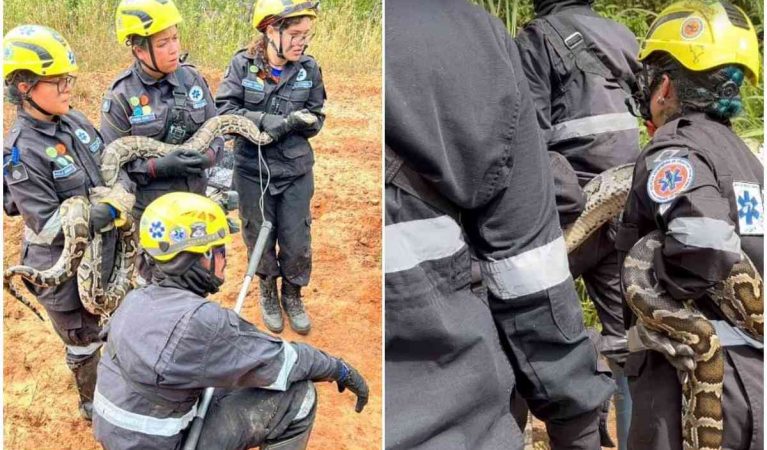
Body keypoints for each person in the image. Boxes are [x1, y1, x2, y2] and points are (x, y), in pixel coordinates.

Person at [385, 1, 615, 448]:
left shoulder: (536, 38)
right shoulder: (466, 37)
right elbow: (531, 275)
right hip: (464, 423)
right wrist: (577, 421)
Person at [91, 192, 368, 450]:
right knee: (298, 396)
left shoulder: (135, 299)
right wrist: (339, 370)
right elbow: (285, 360)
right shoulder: (200, 322)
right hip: (160, 443)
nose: (226, 258)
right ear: (202, 256)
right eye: (220, 249)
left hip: (120, 434)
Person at [615, 2, 763, 449]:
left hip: (695, 381)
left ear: (663, 86)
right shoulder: (742, 156)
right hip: (754, 385)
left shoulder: (675, 147)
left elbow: (708, 244)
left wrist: (660, 291)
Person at [515, 1, 642, 446]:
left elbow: (526, 134)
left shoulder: (538, 37)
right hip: (626, 207)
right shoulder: (621, 35)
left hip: (568, 210)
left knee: (531, 319)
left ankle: (575, 423)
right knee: (628, 341)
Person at [2, 25, 134, 420]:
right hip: (63, 273)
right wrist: (109, 210)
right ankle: (93, 404)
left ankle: (120, 386)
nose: (66, 87)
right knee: (84, 340)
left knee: (116, 324)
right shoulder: (21, 151)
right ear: (25, 87)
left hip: (105, 256)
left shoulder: (75, 120)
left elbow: (113, 168)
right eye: (57, 81)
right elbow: (45, 223)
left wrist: (119, 194)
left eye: (68, 79)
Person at [216, 0, 325, 335]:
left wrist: (303, 123)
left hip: (294, 171)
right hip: (252, 170)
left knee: (296, 238)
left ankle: (292, 294)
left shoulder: (309, 68)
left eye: (306, 35)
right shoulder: (242, 65)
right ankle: (267, 290)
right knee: (258, 233)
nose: (301, 42)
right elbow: (225, 112)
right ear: (270, 30)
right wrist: (273, 122)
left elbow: (317, 116)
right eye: (294, 34)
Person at [100, 0, 224, 285]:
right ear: (139, 49)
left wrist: (209, 157)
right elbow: (111, 168)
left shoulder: (192, 79)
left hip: (195, 203)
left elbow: (216, 131)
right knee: (158, 284)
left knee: (198, 279)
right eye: (163, 42)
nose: (174, 48)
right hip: (151, 212)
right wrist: (157, 167)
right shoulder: (120, 96)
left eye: (175, 38)